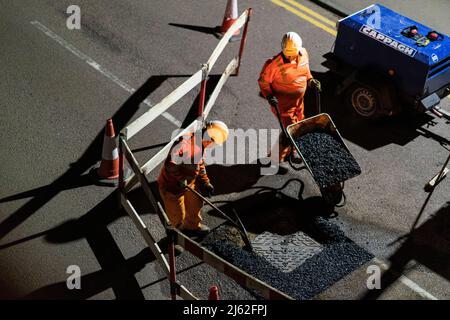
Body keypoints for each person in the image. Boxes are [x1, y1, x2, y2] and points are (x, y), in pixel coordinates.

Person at [258, 32, 321, 163]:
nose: (290, 56)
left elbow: (306, 72)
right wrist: (269, 96)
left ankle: (291, 151)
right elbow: (263, 82)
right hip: (283, 107)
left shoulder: (304, 54)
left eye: (293, 53)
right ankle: (275, 159)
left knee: (296, 128)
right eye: (287, 54)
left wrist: (311, 80)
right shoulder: (273, 64)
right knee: (291, 131)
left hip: (299, 104)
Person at [158, 120, 229, 236]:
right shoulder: (185, 144)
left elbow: (200, 164)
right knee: (177, 216)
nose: (211, 145)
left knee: (195, 204)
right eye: (212, 142)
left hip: (188, 183)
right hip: (172, 186)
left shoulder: (202, 144)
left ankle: (192, 227)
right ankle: (176, 237)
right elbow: (170, 165)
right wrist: (180, 179)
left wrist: (206, 182)